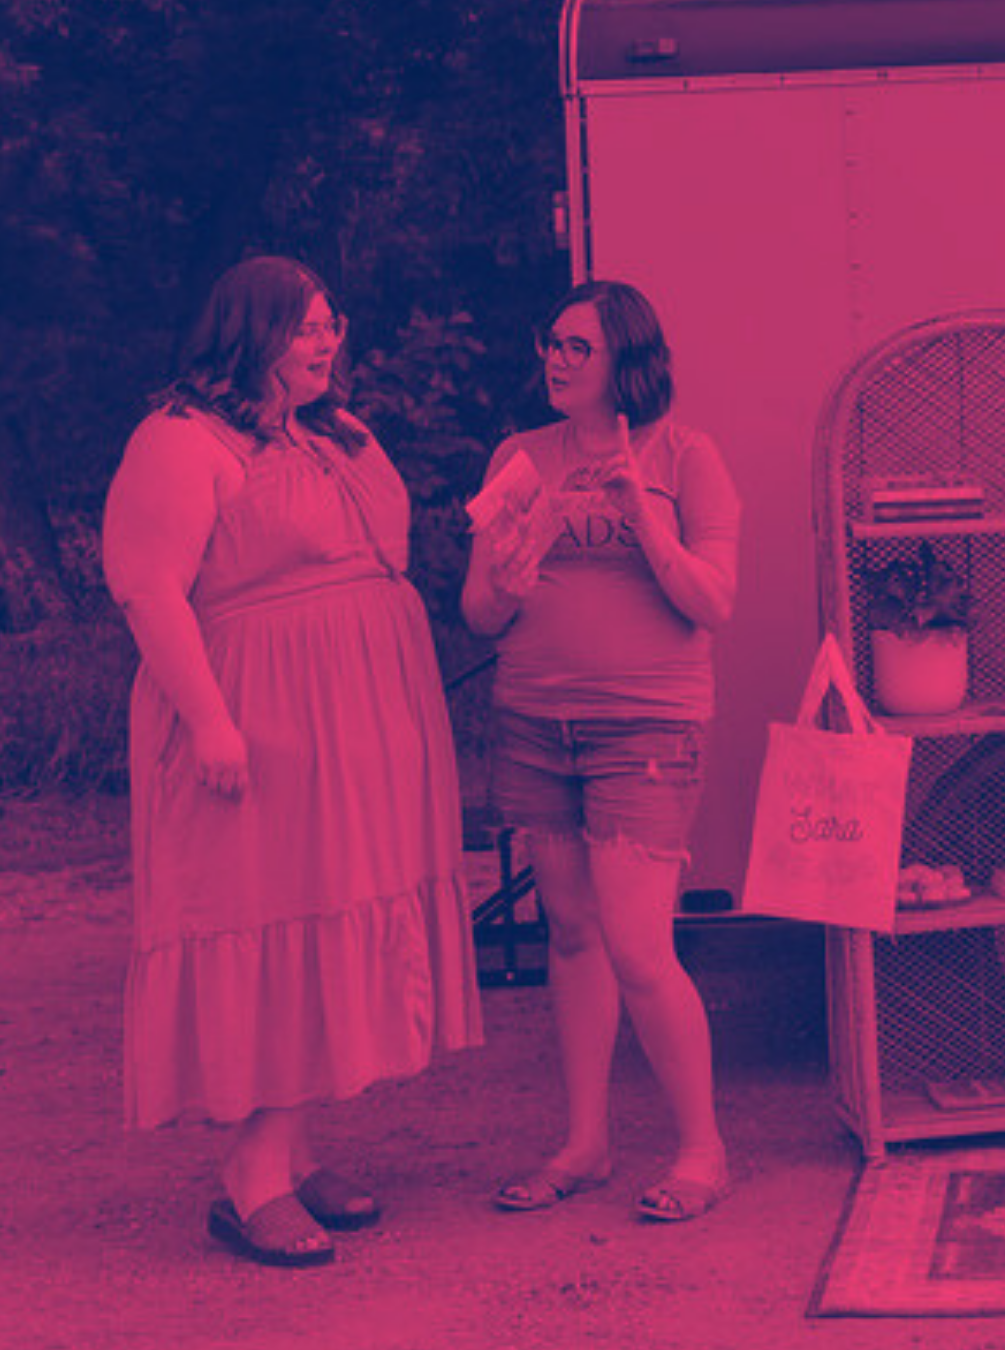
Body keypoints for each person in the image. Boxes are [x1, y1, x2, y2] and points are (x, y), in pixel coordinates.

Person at [102, 256, 482, 1267]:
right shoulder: (181, 439)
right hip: (260, 718)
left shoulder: (332, 431)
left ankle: (296, 1150)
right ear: (253, 333)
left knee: (333, 914)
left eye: (331, 326)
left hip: (358, 718)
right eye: (307, 328)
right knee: (276, 915)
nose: (327, 343)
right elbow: (148, 588)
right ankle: (253, 1174)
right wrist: (211, 723)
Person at [464, 280, 740, 1224]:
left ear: (627, 358)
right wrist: (506, 584)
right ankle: (585, 1145)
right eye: (551, 342)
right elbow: (479, 612)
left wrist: (642, 517)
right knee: (573, 933)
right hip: (537, 721)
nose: (557, 359)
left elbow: (713, 602)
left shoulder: (686, 457)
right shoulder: (520, 458)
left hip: (647, 730)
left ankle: (701, 1150)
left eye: (578, 346)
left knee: (637, 946)